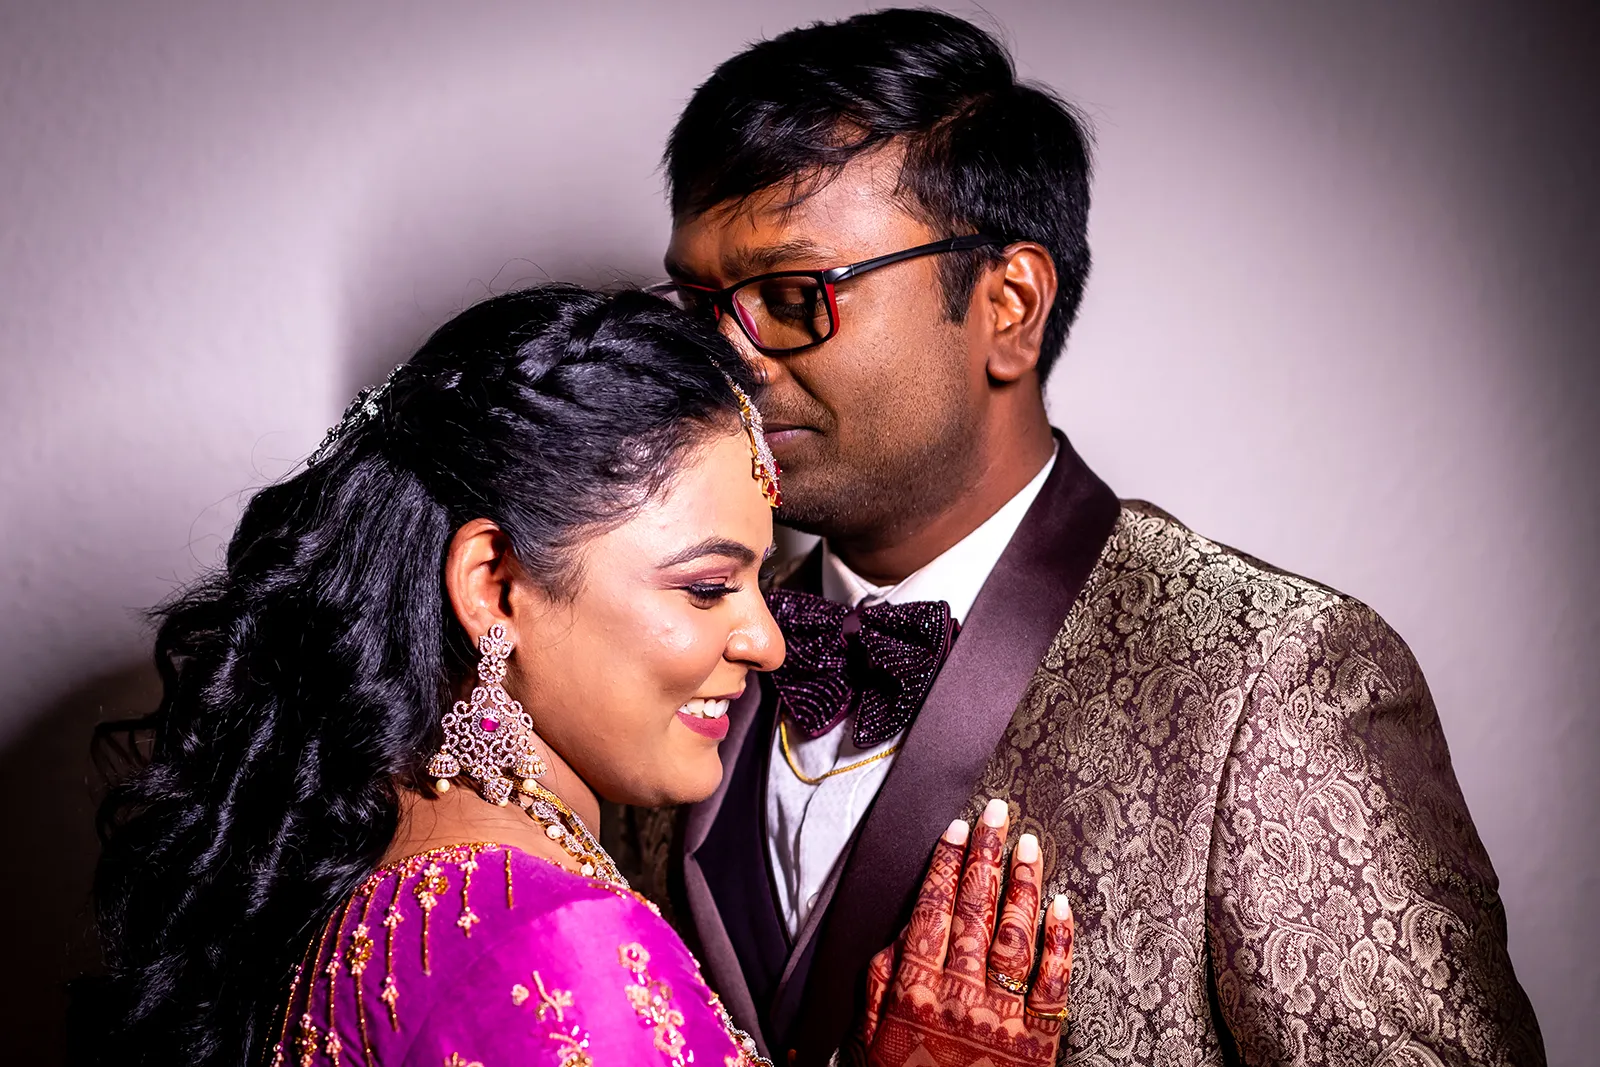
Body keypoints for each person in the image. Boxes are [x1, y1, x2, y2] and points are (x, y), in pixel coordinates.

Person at [640, 9, 1546, 1066]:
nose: (727, 359)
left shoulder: (1276, 679)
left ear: (1010, 305)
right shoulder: (659, 641)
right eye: (698, 304)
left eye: (794, 297)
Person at [77, 285, 1075, 1067]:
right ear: (495, 585)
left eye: (758, 580)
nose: (769, 642)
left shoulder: (381, 871)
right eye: (707, 586)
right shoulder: (557, 941)